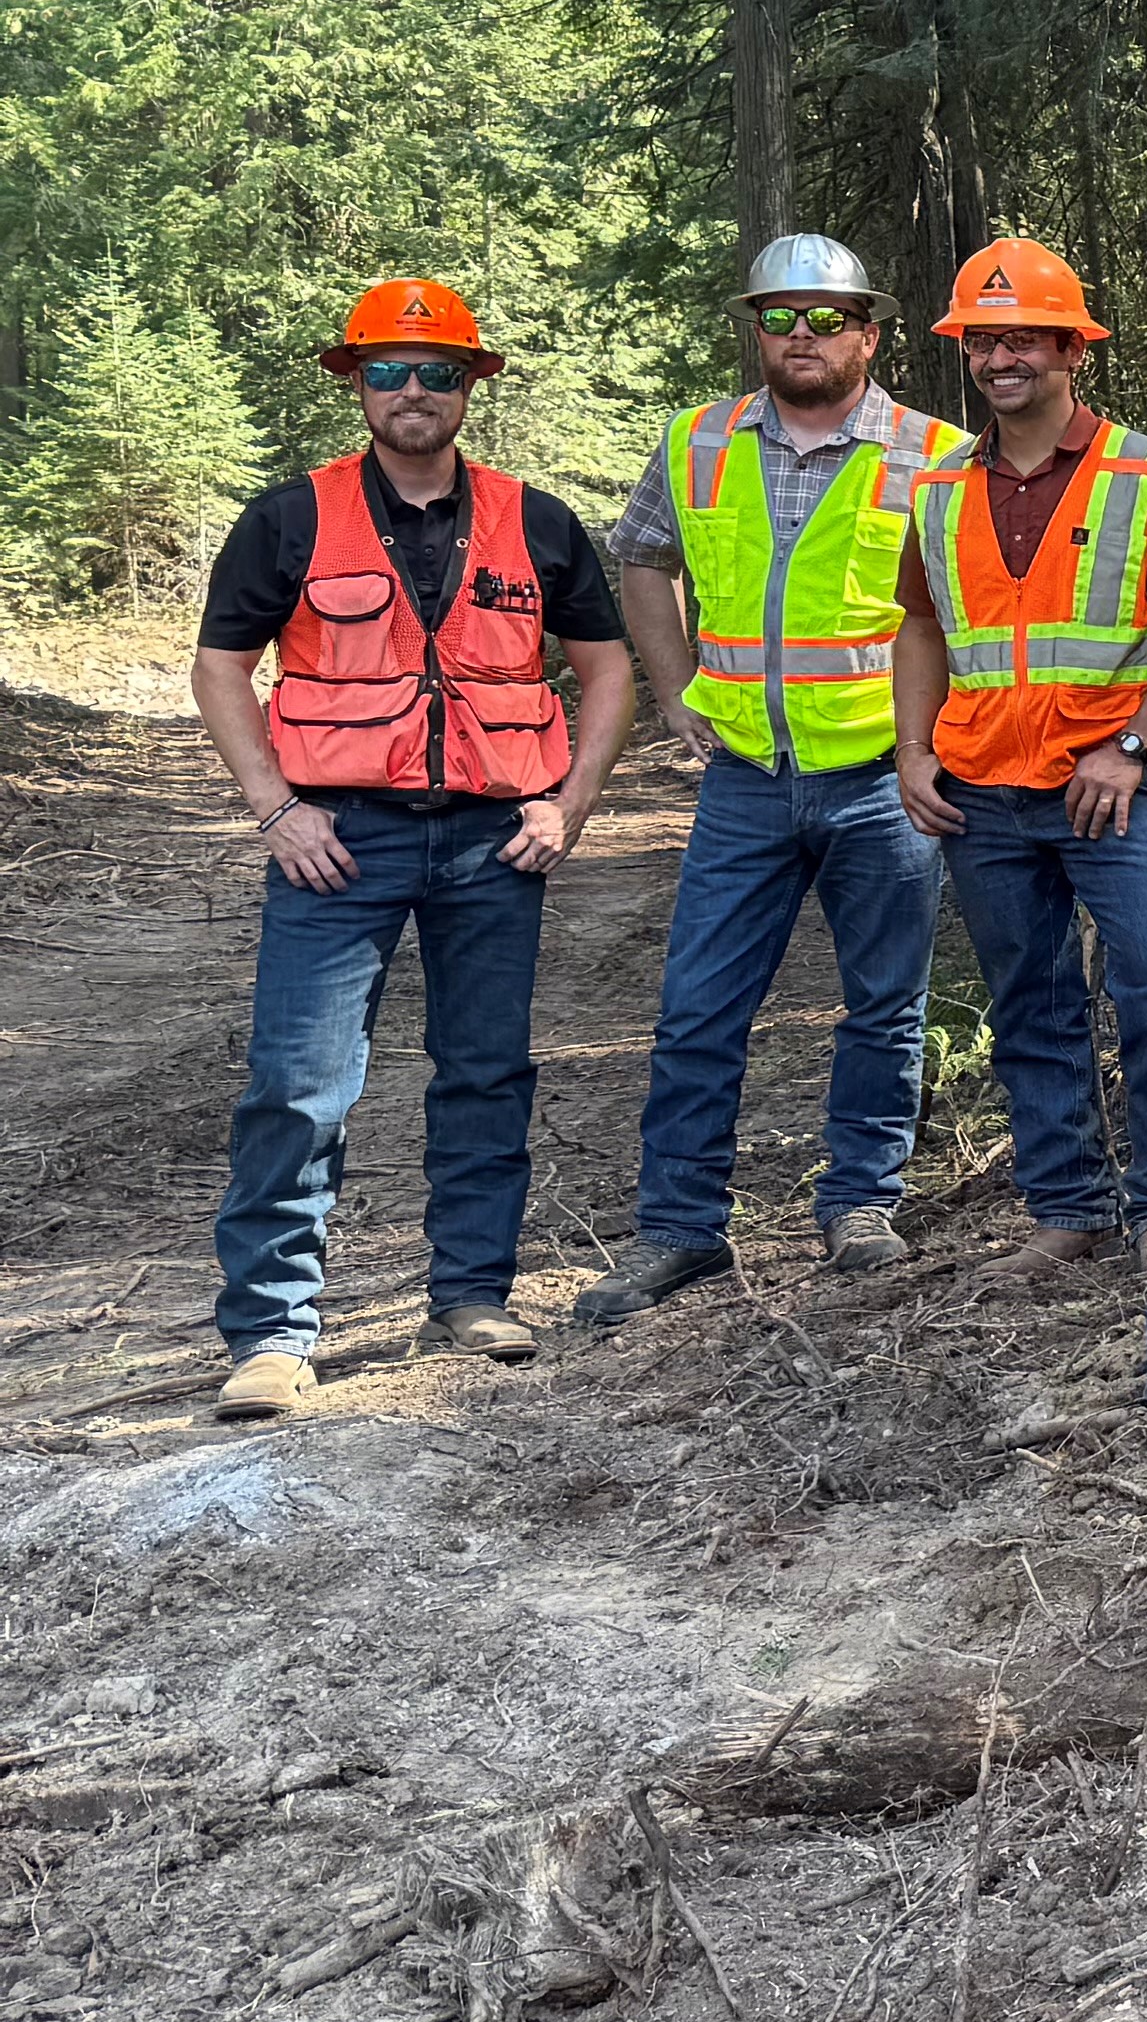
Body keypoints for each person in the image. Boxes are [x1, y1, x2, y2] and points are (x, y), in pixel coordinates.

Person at [190, 281, 642, 1417]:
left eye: (436, 372)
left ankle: (473, 1293)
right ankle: (272, 1336)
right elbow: (219, 667)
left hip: (496, 846)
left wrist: (569, 803)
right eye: (388, 370)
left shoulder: (538, 522)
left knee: (486, 1072)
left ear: (471, 388)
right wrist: (274, 810)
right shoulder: (289, 517)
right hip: (335, 844)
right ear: (356, 383)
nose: (412, 391)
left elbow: (608, 669)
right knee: (299, 1085)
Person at [579, 236, 962, 1320]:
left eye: (827, 318)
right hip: (746, 775)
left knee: (885, 1008)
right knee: (699, 1007)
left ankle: (860, 1206)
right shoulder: (696, 442)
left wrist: (933, 742)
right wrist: (675, 685)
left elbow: (970, 605)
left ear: (870, 335)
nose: (803, 336)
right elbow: (642, 557)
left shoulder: (936, 452)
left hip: (882, 777)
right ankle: (680, 1228)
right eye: (781, 316)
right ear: (756, 329)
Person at [886, 238, 1147, 1280]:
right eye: (984, 341)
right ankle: (1067, 1206)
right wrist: (912, 752)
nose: (1001, 357)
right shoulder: (937, 490)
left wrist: (1132, 747)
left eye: (1023, 336)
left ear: (1073, 347)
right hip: (980, 789)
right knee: (1030, 1000)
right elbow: (923, 629)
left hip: (1112, 788)